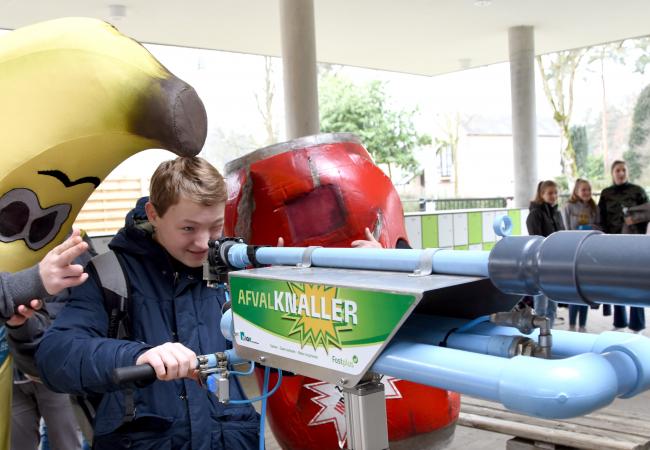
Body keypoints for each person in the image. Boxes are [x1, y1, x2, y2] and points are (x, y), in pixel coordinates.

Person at [36, 157, 259, 450]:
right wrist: (137, 356)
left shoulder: (232, 269)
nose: (205, 243)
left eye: (215, 227)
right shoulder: (108, 274)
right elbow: (55, 358)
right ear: (153, 214)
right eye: (188, 229)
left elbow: (282, 355)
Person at [598, 160, 648, 333]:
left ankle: (637, 324)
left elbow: (648, 212)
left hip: (635, 244)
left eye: (623, 170)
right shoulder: (606, 193)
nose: (620, 173)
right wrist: (601, 241)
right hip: (613, 244)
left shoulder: (638, 191)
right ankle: (619, 322)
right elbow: (600, 219)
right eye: (617, 170)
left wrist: (635, 219)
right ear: (612, 173)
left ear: (627, 172)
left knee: (636, 283)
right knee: (616, 282)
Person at [562, 179, 600, 332]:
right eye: (583, 190)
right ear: (576, 191)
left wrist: (589, 227)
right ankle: (572, 324)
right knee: (574, 289)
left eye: (589, 190)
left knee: (585, 289)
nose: (587, 193)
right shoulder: (568, 207)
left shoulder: (593, 207)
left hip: (588, 253)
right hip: (573, 251)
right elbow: (564, 228)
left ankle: (583, 324)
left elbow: (599, 225)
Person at [526, 180, 565, 327]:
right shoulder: (535, 214)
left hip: (555, 261)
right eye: (550, 193)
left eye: (555, 193)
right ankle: (538, 333)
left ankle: (549, 332)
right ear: (542, 195)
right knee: (541, 304)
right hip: (541, 264)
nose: (553, 196)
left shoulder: (556, 213)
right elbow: (536, 239)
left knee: (553, 305)